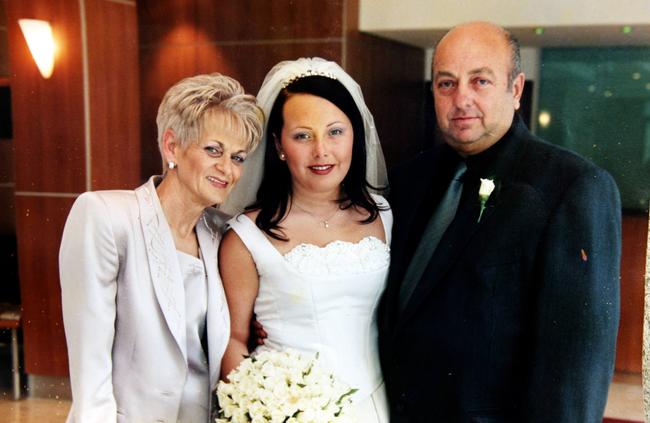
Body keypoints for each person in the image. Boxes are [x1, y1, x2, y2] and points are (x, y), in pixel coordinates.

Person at [379, 21, 622, 422]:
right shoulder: (407, 181)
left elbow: (575, 369)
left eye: (480, 81)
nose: (461, 99)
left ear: (516, 89)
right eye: (446, 83)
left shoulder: (572, 187)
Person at [59, 73, 263, 423]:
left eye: (238, 157)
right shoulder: (106, 216)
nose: (227, 169)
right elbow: (90, 367)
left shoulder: (224, 235)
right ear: (171, 146)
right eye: (213, 150)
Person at [218, 57, 391, 421]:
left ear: (354, 135)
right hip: (289, 410)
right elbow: (233, 339)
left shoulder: (384, 216)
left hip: (376, 405)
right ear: (279, 145)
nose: (321, 150)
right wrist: (253, 409)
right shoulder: (246, 239)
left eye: (335, 132)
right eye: (302, 136)